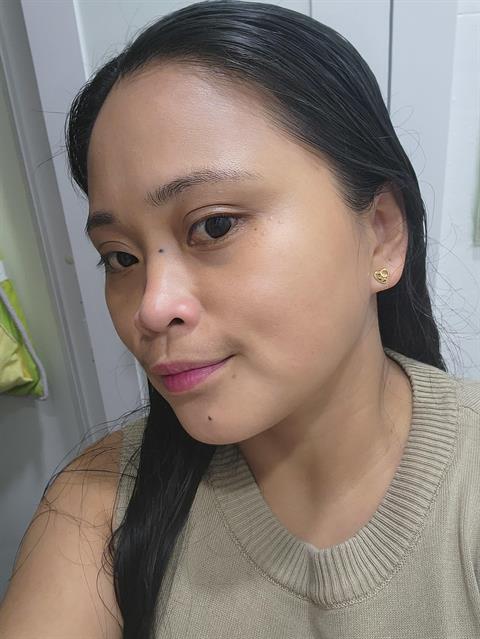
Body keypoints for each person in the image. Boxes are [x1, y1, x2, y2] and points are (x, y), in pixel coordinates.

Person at [1, 0, 479, 637]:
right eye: (120, 257)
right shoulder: (98, 506)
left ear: (382, 234)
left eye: (215, 226)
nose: (151, 307)